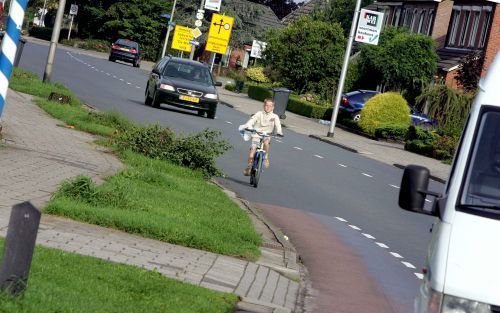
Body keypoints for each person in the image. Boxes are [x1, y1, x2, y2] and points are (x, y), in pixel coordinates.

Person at [241, 99, 283, 176]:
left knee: (266, 143)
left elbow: (278, 125)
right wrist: (248, 126)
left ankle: (266, 157)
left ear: (273, 107)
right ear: (264, 106)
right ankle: (249, 167)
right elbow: (251, 120)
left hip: (267, 135)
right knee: (252, 150)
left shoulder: (275, 116)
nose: (268, 107)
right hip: (257, 134)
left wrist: (279, 132)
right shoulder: (259, 113)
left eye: (270, 106)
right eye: (266, 105)